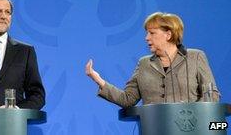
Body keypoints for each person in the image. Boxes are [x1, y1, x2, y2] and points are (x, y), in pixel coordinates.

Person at [86, 12, 220, 108]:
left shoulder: (195, 57)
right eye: (147, 33)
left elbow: (211, 95)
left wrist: (193, 113)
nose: (146, 38)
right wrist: (99, 80)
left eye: (152, 33)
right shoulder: (144, 63)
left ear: (168, 34)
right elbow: (127, 99)